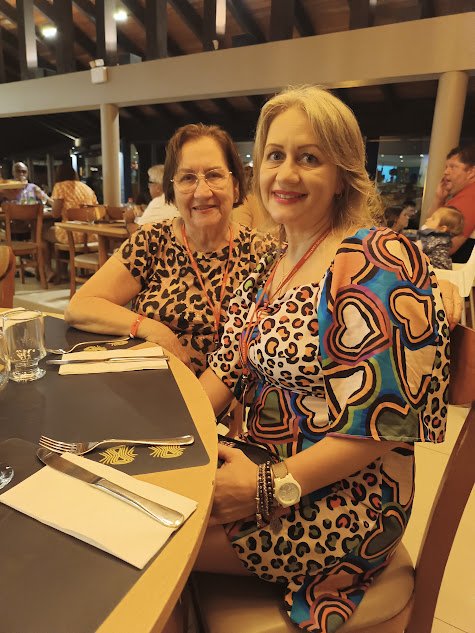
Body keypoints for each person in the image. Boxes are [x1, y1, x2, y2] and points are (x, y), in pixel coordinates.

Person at [180, 86, 450, 633]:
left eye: (309, 158)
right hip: (257, 462)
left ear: (343, 172)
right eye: (275, 155)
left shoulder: (376, 257)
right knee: (134, 500)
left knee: (146, 538)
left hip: (344, 502)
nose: (286, 174)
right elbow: (226, 370)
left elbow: (385, 425)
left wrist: (266, 486)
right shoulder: (273, 260)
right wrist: (165, 437)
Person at [65, 123, 277, 374]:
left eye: (214, 175)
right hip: (161, 388)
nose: (202, 192)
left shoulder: (264, 252)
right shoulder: (152, 241)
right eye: (187, 178)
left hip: (238, 394)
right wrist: (151, 328)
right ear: (172, 192)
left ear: (236, 185)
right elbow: (80, 306)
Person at [42, 164, 99, 279]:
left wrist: (52, 203)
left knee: (42, 233)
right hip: (91, 235)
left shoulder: (60, 186)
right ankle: (62, 271)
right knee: (56, 231)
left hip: (71, 235)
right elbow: (96, 211)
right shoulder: (87, 188)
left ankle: (48, 270)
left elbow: (55, 214)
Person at [427, 143, 475, 263]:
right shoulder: (462, 196)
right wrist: (439, 199)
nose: (446, 172)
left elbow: (444, 248)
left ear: (471, 172)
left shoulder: (469, 198)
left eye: (453, 167)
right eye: (446, 167)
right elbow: (431, 225)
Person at [126, 164, 179, 233]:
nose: (148, 186)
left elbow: (139, 233)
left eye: (150, 182)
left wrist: (129, 221)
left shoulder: (159, 201)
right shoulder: (175, 199)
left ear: (158, 187)